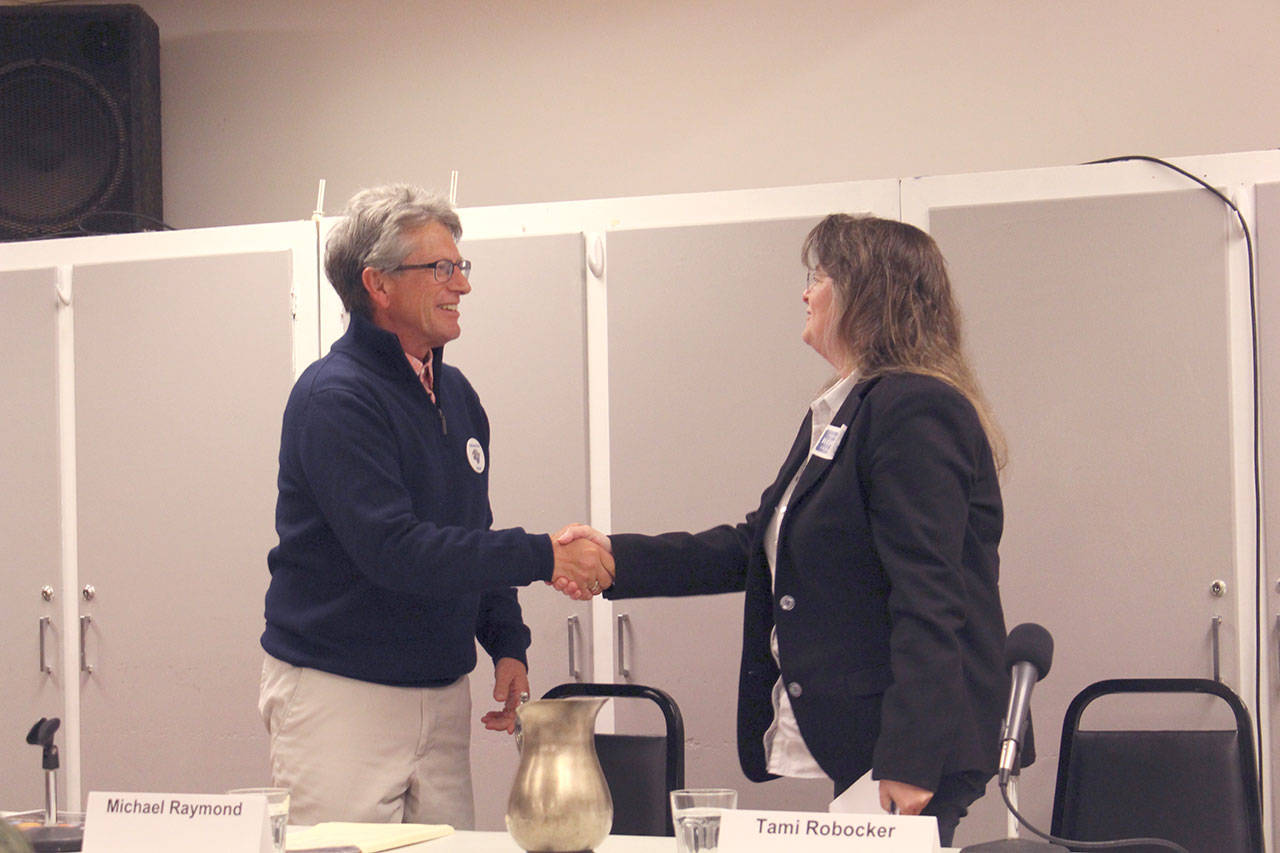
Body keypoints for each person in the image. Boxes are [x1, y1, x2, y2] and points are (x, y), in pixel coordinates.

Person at [558, 214, 1011, 846]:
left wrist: (910, 756)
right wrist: (618, 561)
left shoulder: (914, 408)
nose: (805, 292)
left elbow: (931, 594)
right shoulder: (849, 408)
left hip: (911, 742)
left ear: (864, 293)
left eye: (818, 277)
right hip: (873, 735)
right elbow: (760, 545)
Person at [258, 184, 613, 828]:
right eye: (442, 269)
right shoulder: (335, 397)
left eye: (461, 267)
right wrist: (545, 555)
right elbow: (396, 552)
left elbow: (469, 532)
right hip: (343, 695)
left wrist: (506, 641)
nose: (462, 286)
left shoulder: (456, 394)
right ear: (379, 285)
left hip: (443, 694)